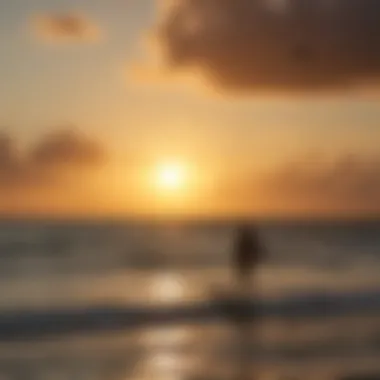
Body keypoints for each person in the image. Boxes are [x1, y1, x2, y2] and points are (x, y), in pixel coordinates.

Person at [232, 223, 263, 290]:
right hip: (245, 261)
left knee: (246, 276)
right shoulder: (245, 239)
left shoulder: (247, 239)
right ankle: (245, 289)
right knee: (244, 276)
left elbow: (253, 250)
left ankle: (246, 289)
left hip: (246, 261)